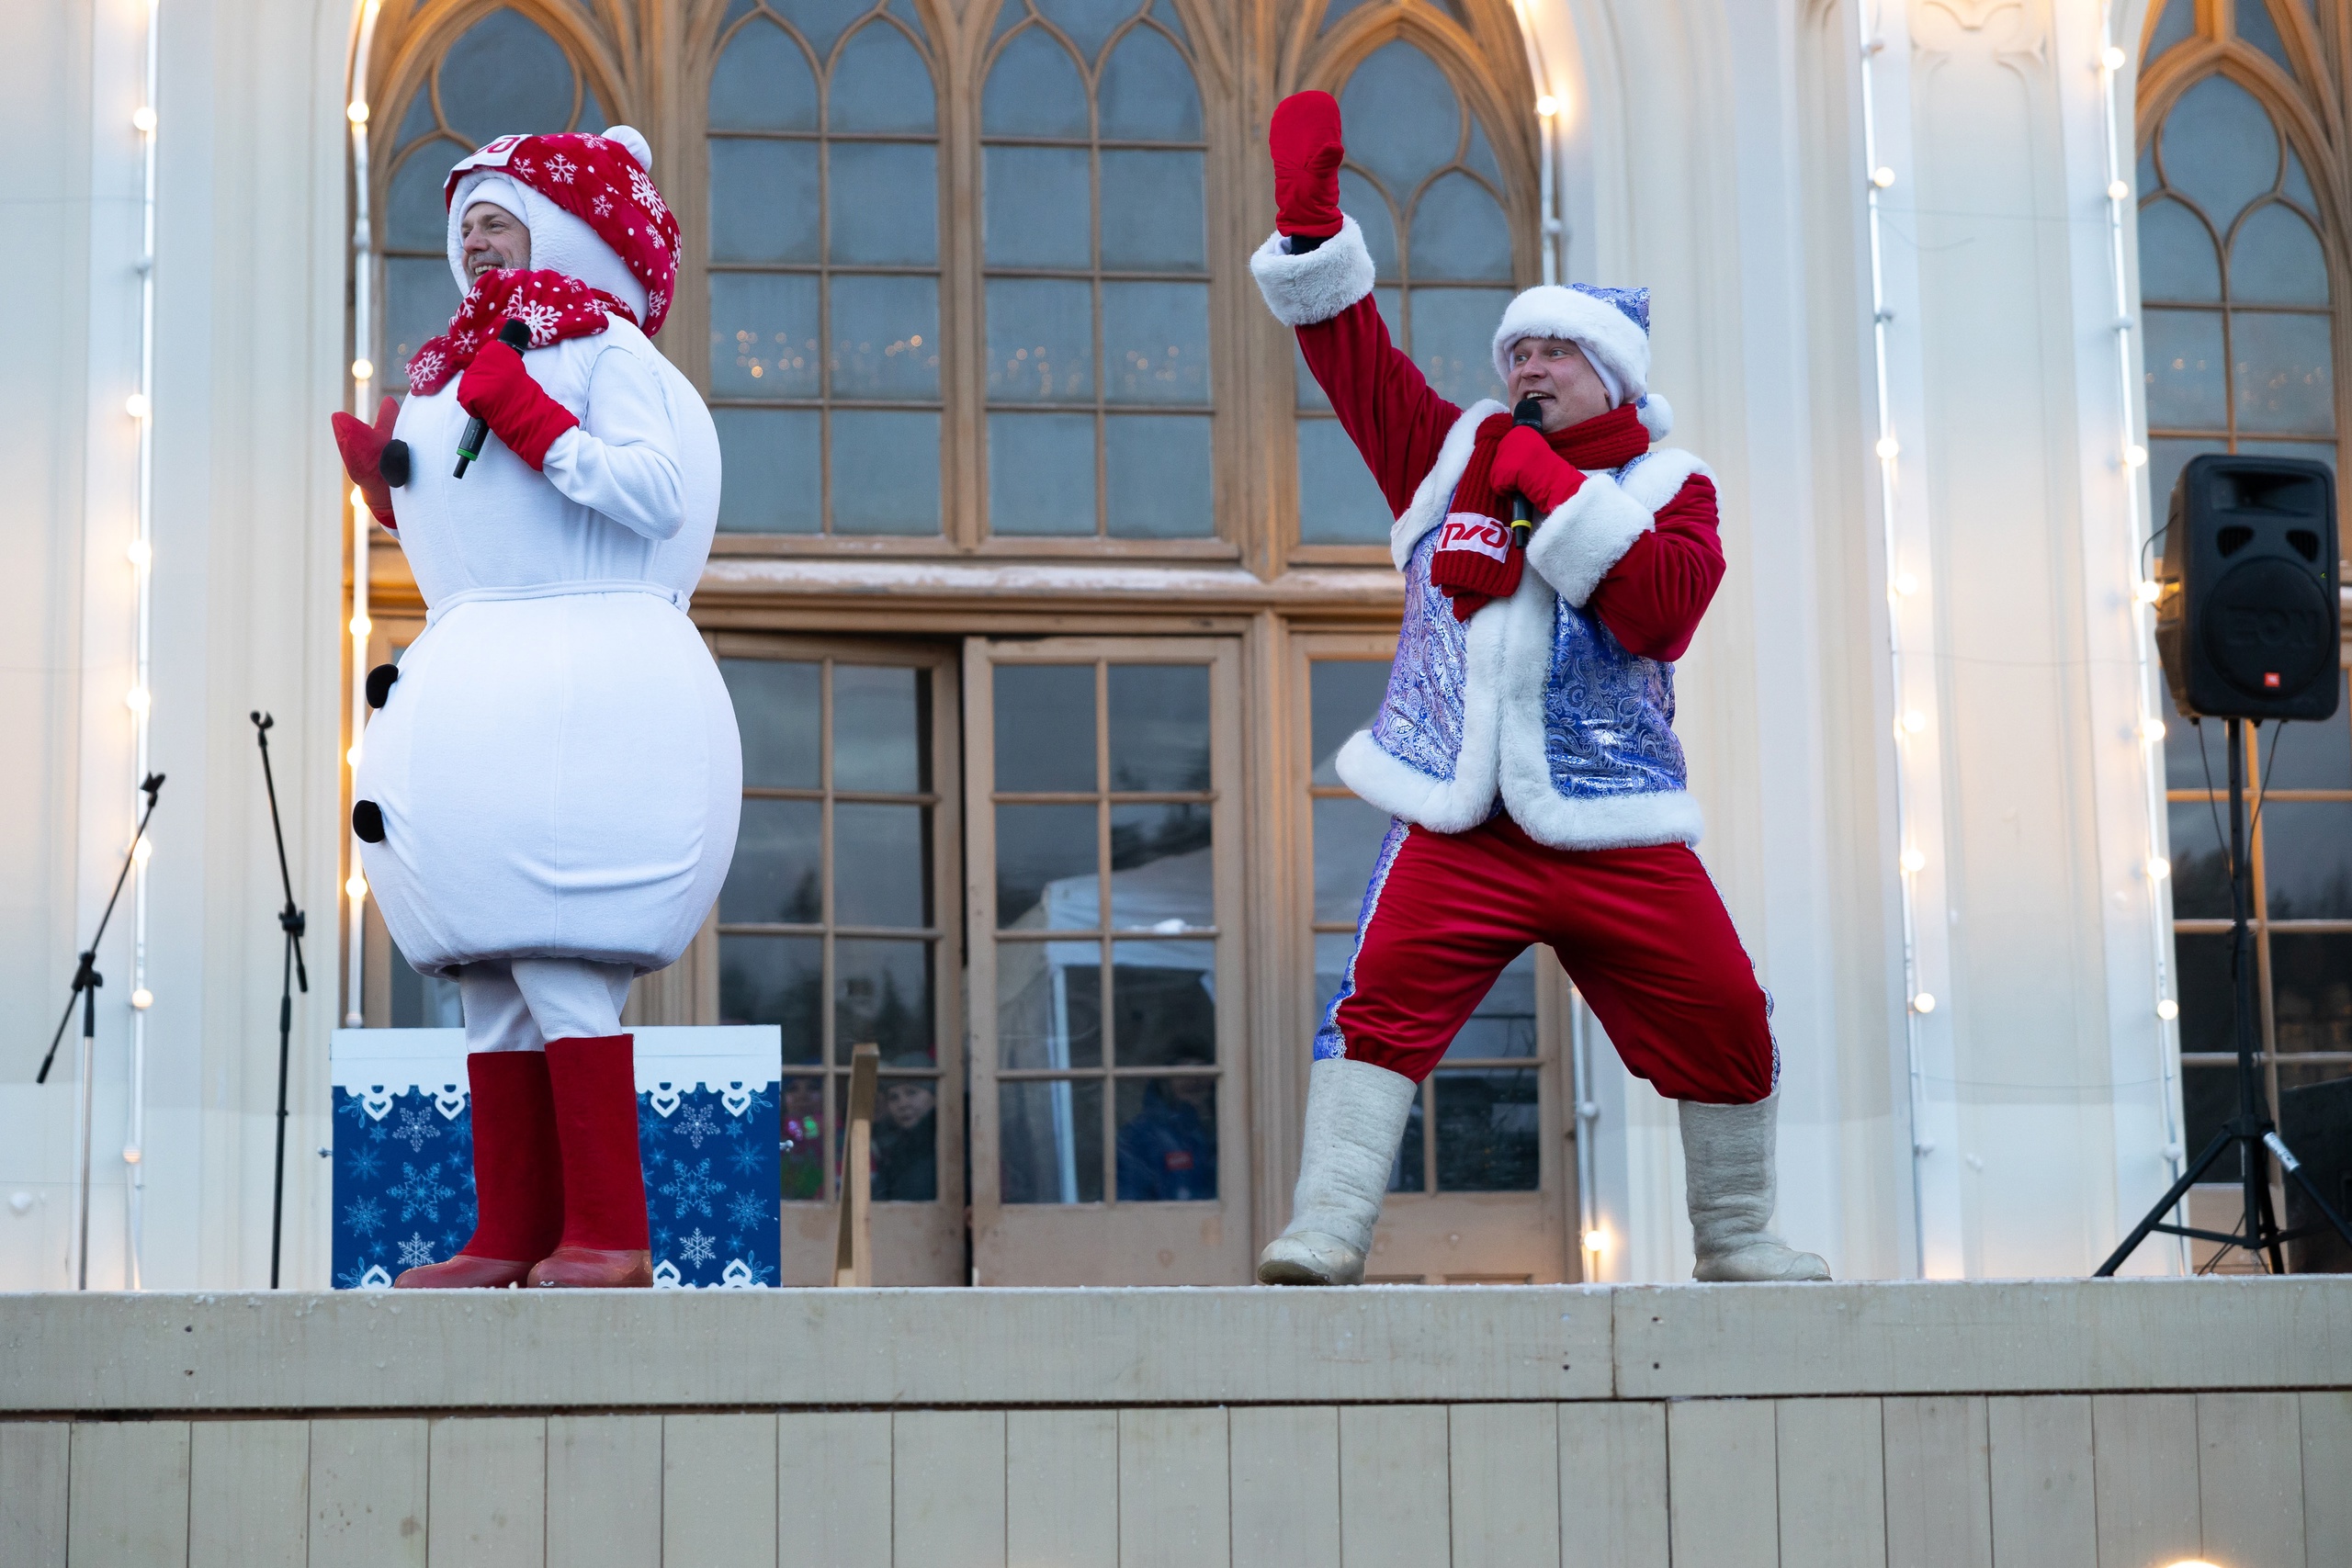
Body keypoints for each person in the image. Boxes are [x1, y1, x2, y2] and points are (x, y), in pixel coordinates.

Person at [1250, 92, 1827, 1286]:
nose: (1526, 365)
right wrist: (1309, 233)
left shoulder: (1672, 486)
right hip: (1460, 819)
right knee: (1376, 1005)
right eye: (1516, 351)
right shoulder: (1449, 456)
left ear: (1607, 373)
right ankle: (1327, 1228)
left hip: (1615, 820)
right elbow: (1357, 362)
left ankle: (1736, 1235)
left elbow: (1659, 609)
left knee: (1724, 1008)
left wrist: (1551, 491)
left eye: (1553, 351)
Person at [332, 127, 741, 1289]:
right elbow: (484, 522)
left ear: (564, 230)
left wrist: (532, 420)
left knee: (563, 968)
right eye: (464, 222)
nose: (475, 238)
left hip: (584, 711)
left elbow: (655, 492)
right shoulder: (448, 367)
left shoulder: (604, 352)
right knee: (493, 994)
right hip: (481, 715)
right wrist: (398, 496)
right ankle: (509, 1230)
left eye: (499, 219)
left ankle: (609, 1229)